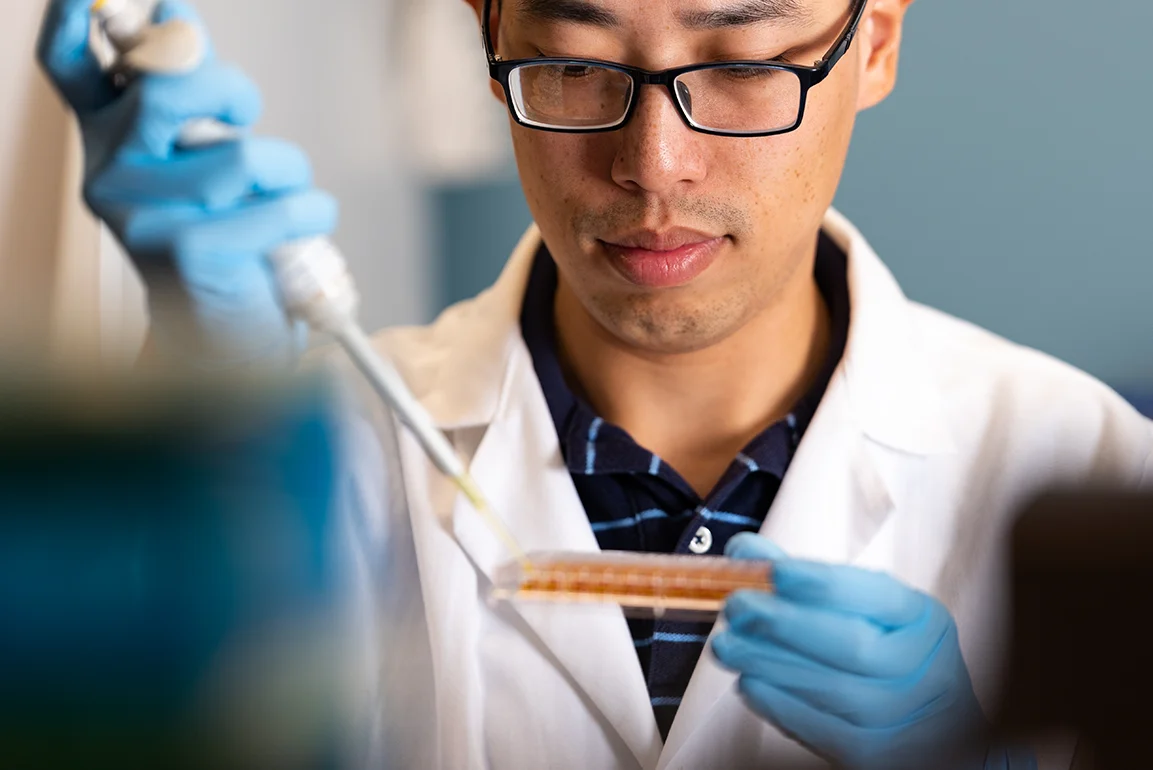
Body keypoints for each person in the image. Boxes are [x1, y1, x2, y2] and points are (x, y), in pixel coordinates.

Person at [36, 0, 1153, 767]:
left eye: (743, 61)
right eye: (572, 62)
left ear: (874, 45)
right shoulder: (322, 454)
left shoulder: (1090, 464)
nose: (652, 163)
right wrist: (188, 419)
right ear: (486, 40)